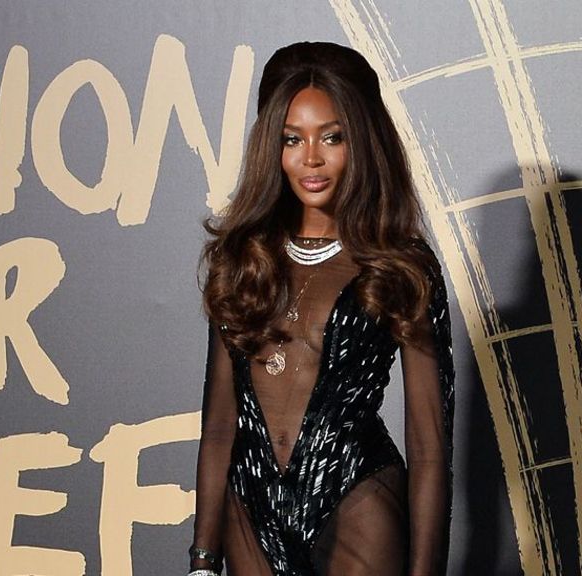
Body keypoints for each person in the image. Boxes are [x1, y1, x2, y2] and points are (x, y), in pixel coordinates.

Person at [188, 42, 455, 575]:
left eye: (332, 137)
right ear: (273, 146)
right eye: (292, 139)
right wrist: (202, 558)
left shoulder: (399, 265)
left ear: (363, 141)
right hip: (249, 506)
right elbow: (219, 427)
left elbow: (428, 447)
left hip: (356, 498)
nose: (311, 158)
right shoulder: (241, 260)